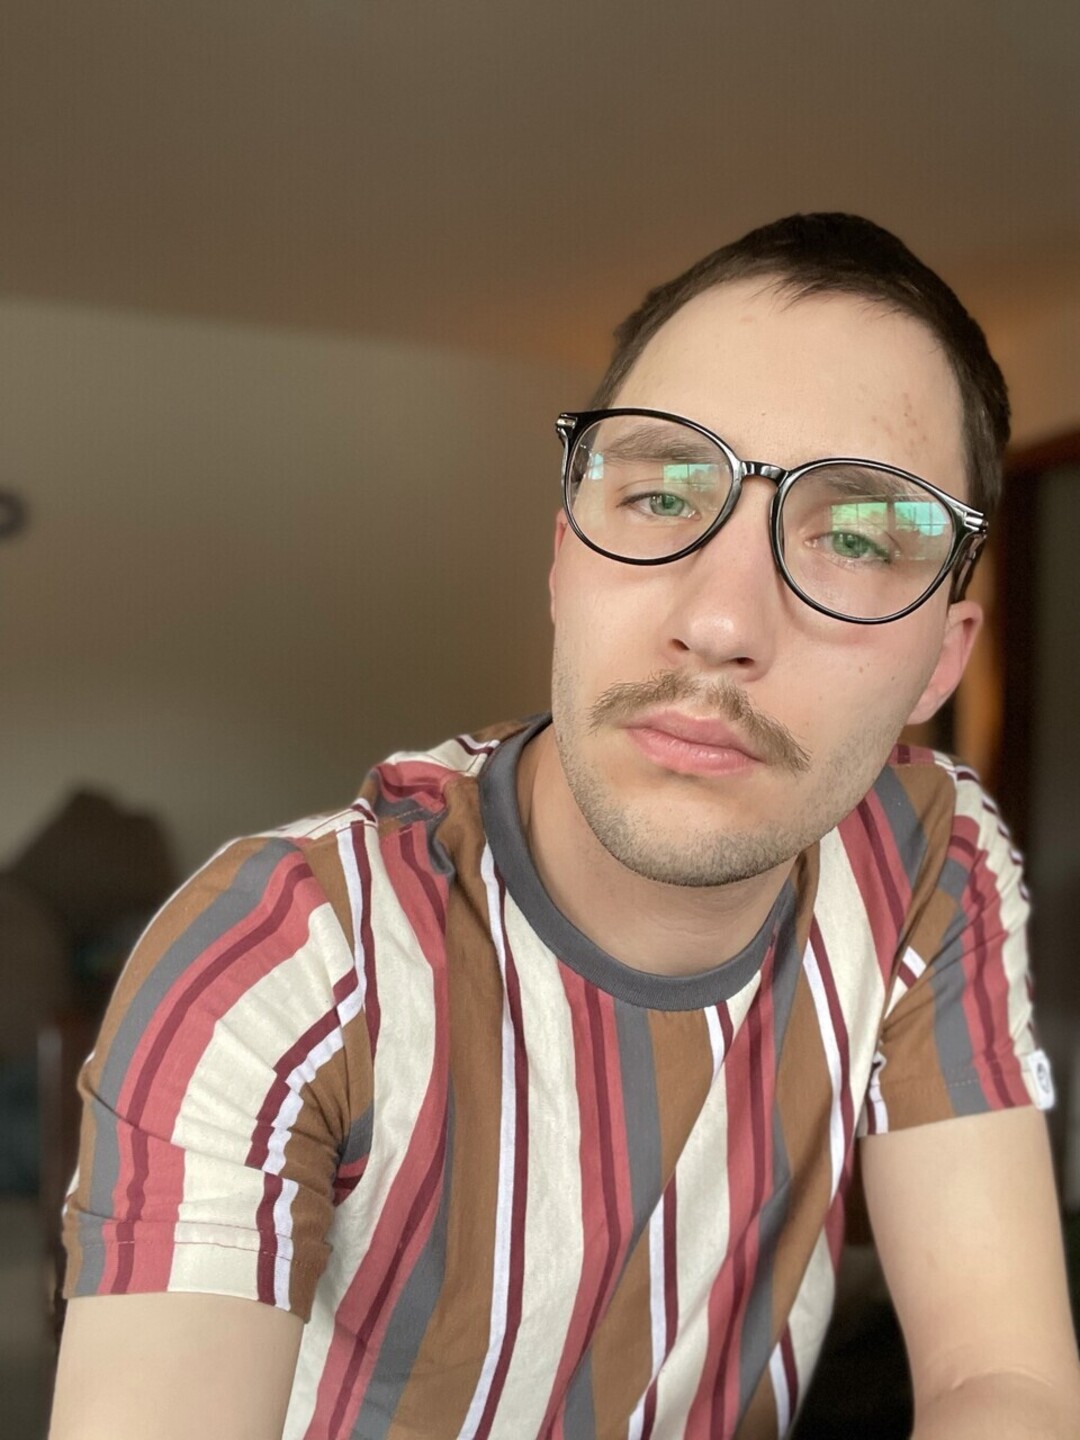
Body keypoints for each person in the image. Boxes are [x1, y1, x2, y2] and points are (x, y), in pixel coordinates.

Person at [50, 214, 1080, 1440]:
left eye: (856, 537)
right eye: (660, 494)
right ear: (563, 562)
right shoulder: (278, 962)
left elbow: (1000, 1379)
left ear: (940, 665)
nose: (720, 622)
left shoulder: (928, 859)